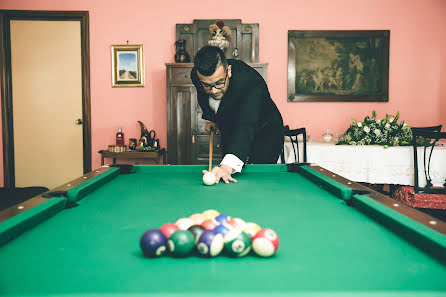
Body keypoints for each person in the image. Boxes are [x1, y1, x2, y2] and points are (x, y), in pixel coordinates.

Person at [191, 45, 284, 184]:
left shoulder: (251, 83)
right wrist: (211, 118)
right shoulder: (197, 75)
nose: (214, 90)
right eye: (207, 85)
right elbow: (203, 96)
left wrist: (227, 166)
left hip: (265, 132)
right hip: (232, 127)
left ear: (228, 71)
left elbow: (247, 123)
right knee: (229, 172)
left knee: (252, 179)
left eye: (219, 83)